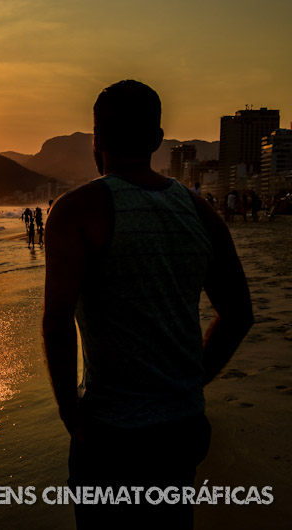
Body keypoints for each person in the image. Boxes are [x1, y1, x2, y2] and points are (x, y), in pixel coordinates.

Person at [43, 80, 253, 530]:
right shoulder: (200, 211)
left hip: (112, 433)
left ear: (96, 138)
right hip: (182, 425)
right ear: (158, 140)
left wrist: (67, 409)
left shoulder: (77, 210)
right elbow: (238, 314)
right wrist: (192, 378)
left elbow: (58, 324)